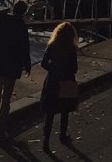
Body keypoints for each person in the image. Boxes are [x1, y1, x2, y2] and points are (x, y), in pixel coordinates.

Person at [0, 0, 32, 140]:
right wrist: (27, 65)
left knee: (0, 84)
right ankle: (0, 128)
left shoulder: (2, 21)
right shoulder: (21, 26)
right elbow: (24, 47)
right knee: (7, 97)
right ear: (23, 12)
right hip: (12, 64)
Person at [40, 21, 79, 152]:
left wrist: (53, 69)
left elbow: (44, 63)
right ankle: (63, 135)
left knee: (50, 112)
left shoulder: (52, 46)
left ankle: (45, 141)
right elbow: (75, 68)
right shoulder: (71, 48)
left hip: (53, 80)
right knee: (65, 110)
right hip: (67, 80)